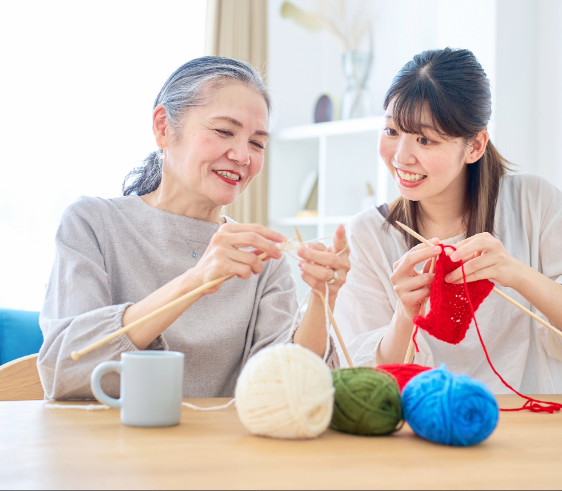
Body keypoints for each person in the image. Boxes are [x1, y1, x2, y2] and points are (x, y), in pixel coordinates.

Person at [38, 56, 350, 400]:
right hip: (116, 450)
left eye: (257, 143)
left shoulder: (261, 259)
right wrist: (196, 280)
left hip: (225, 452)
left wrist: (324, 297)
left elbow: (287, 390)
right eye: (224, 131)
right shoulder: (92, 224)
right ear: (163, 127)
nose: (243, 156)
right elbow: (65, 369)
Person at [333, 48, 562, 394]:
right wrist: (405, 314)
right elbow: (366, 382)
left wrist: (516, 273)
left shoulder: (534, 202)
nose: (401, 157)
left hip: (536, 432)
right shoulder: (369, 233)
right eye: (391, 132)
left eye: (424, 139)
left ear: (474, 146)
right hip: (423, 434)